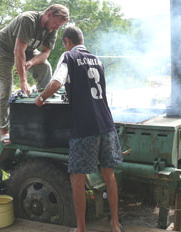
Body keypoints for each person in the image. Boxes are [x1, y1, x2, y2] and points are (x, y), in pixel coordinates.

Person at [35, 26, 124, 232]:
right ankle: (115, 223)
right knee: (109, 174)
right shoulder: (97, 59)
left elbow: (56, 82)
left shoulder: (68, 57)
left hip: (85, 126)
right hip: (107, 124)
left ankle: (81, 228)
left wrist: (40, 98)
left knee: (77, 177)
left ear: (67, 41)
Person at [0, 4, 69, 143]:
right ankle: (4, 130)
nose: (57, 27)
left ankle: (42, 103)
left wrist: (31, 63)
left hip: (27, 51)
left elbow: (45, 53)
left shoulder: (52, 29)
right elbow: (18, 50)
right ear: (49, 14)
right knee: (5, 88)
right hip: (3, 49)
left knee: (45, 67)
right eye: (56, 23)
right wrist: (23, 80)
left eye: (60, 26)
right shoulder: (28, 20)